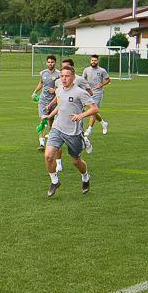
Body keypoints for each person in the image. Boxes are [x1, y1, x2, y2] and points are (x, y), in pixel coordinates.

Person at [41, 64, 99, 197]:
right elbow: (60, 105)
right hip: (57, 128)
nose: (64, 79)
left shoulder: (80, 92)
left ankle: (85, 176)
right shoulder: (59, 90)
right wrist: (49, 116)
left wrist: (81, 115)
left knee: (76, 161)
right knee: (48, 156)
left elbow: (94, 109)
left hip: (73, 132)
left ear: (73, 77)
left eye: (67, 76)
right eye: (62, 76)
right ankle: (55, 181)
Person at [81, 54, 112, 138]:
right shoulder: (86, 70)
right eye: (92, 60)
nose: (93, 62)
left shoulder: (102, 70)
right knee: (91, 110)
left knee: (93, 111)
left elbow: (108, 80)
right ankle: (103, 123)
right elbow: (82, 80)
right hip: (88, 93)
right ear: (90, 61)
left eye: (95, 60)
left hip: (98, 93)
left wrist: (101, 85)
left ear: (98, 61)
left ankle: (89, 129)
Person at [34, 55, 60, 146]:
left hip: (53, 101)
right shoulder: (42, 73)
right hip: (43, 100)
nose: (50, 64)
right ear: (46, 63)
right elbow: (41, 83)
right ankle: (42, 143)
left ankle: (51, 141)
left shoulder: (59, 74)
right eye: (48, 62)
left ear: (55, 63)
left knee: (51, 121)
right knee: (42, 120)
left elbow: (62, 88)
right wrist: (35, 92)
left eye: (52, 62)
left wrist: (55, 90)